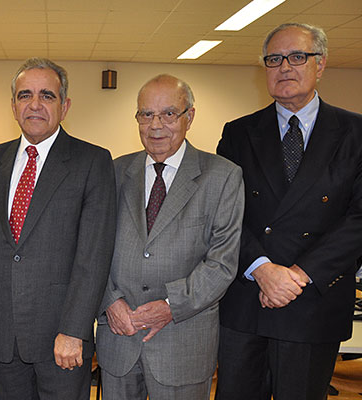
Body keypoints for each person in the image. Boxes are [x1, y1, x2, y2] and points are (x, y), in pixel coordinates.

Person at [215, 22, 362, 400]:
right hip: (248, 298)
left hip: (314, 300)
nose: (284, 67)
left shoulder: (359, 133)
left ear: (320, 64)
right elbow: (224, 215)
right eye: (274, 59)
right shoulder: (239, 133)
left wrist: (297, 275)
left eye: (297, 57)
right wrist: (262, 269)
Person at [0, 57, 116, 400]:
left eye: (47, 96)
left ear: (65, 106)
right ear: (13, 106)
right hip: (4, 335)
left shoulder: (92, 162)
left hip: (61, 338)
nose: (34, 104)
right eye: (25, 95)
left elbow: (93, 257)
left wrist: (74, 329)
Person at [95, 74, 244, 399]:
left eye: (168, 114)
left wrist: (170, 306)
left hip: (183, 341)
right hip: (119, 336)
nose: (155, 125)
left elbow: (222, 263)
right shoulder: (116, 172)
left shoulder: (222, 177)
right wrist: (110, 301)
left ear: (189, 116)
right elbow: (93, 248)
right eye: (146, 114)